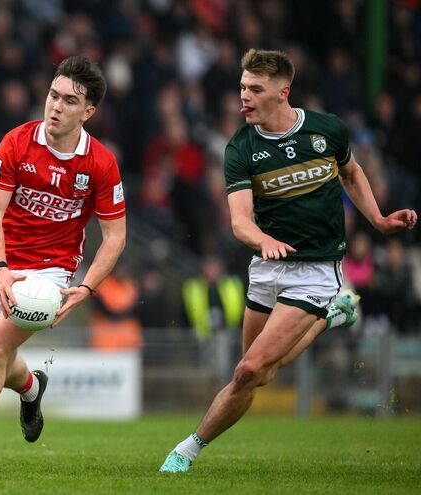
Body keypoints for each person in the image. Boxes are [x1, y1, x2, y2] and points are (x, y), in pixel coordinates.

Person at [159, 49, 417, 473]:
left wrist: (378, 220)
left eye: (254, 89)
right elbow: (240, 222)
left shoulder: (327, 130)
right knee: (260, 376)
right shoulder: (241, 146)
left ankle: (186, 449)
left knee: (247, 370)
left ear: (283, 92)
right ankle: (332, 318)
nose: (243, 96)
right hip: (266, 266)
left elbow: (351, 173)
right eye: (242, 87)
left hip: (315, 270)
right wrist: (264, 240)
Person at [0, 55, 126, 472]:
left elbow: (115, 237)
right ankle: (32, 389)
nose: (55, 106)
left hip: (50, 273)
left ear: (88, 112)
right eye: (53, 95)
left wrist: (85, 288)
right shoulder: (16, 142)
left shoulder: (101, 164)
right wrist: (0, 268)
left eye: (70, 101)